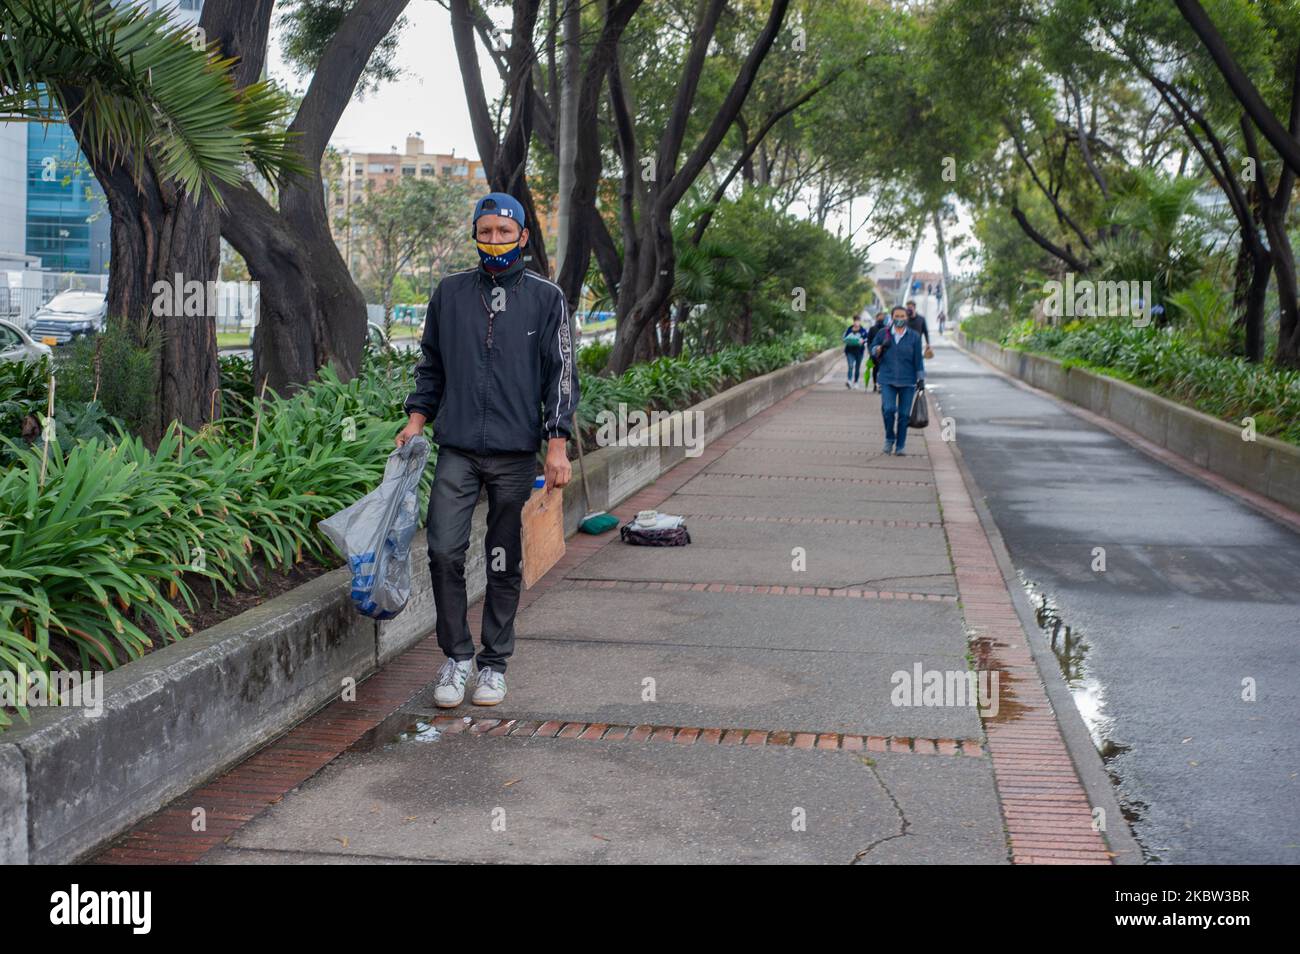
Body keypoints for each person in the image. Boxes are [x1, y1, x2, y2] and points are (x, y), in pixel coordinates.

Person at [395, 192, 577, 709]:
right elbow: (430, 364)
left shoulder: (546, 298)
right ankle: (456, 657)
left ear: (523, 236)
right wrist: (416, 420)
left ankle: (494, 665)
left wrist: (556, 445)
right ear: (475, 234)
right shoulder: (450, 294)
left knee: (503, 559)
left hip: (515, 453)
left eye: (504, 231)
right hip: (457, 448)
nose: (494, 239)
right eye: (486, 230)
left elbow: (560, 376)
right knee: (443, 550)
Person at [870, 305, 926, 456]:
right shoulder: (884, 334)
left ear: (907, 318)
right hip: (887, 379)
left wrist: (921, 379)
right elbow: (872, 348)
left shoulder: (914, 337)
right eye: (897, 316)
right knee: (888, 410)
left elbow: (918, 360)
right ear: (892, 317)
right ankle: (889, 437)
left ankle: (900, 445)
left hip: (908, 381)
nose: (899, 319)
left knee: (903, 415)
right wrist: (878, 349)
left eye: (902, 316)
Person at [842, 313, 869, 389]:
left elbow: (866, 339)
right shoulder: (849, 329)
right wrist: (847, 340)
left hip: (859, 351)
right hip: (849, 351)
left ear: (860, 321)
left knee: (857, 367)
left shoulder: (863, 330)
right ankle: (849, 381)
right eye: (855, 321)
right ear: (853, 321)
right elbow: (844, 338)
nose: (856, 322)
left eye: (858, 321)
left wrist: (863, 341)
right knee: (850, 366)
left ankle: (856, 382)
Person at [867, 310, 888, 392]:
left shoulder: (886, 329)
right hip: (874, 353)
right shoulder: (872, 329)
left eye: (882, 318)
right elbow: (869, 340)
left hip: (883, 353)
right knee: (875, 369)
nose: (881, 319)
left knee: (881, 368)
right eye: (880, 317)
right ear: (876, 318)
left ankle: (880, 384)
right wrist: (870, 350)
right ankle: (875, 383)